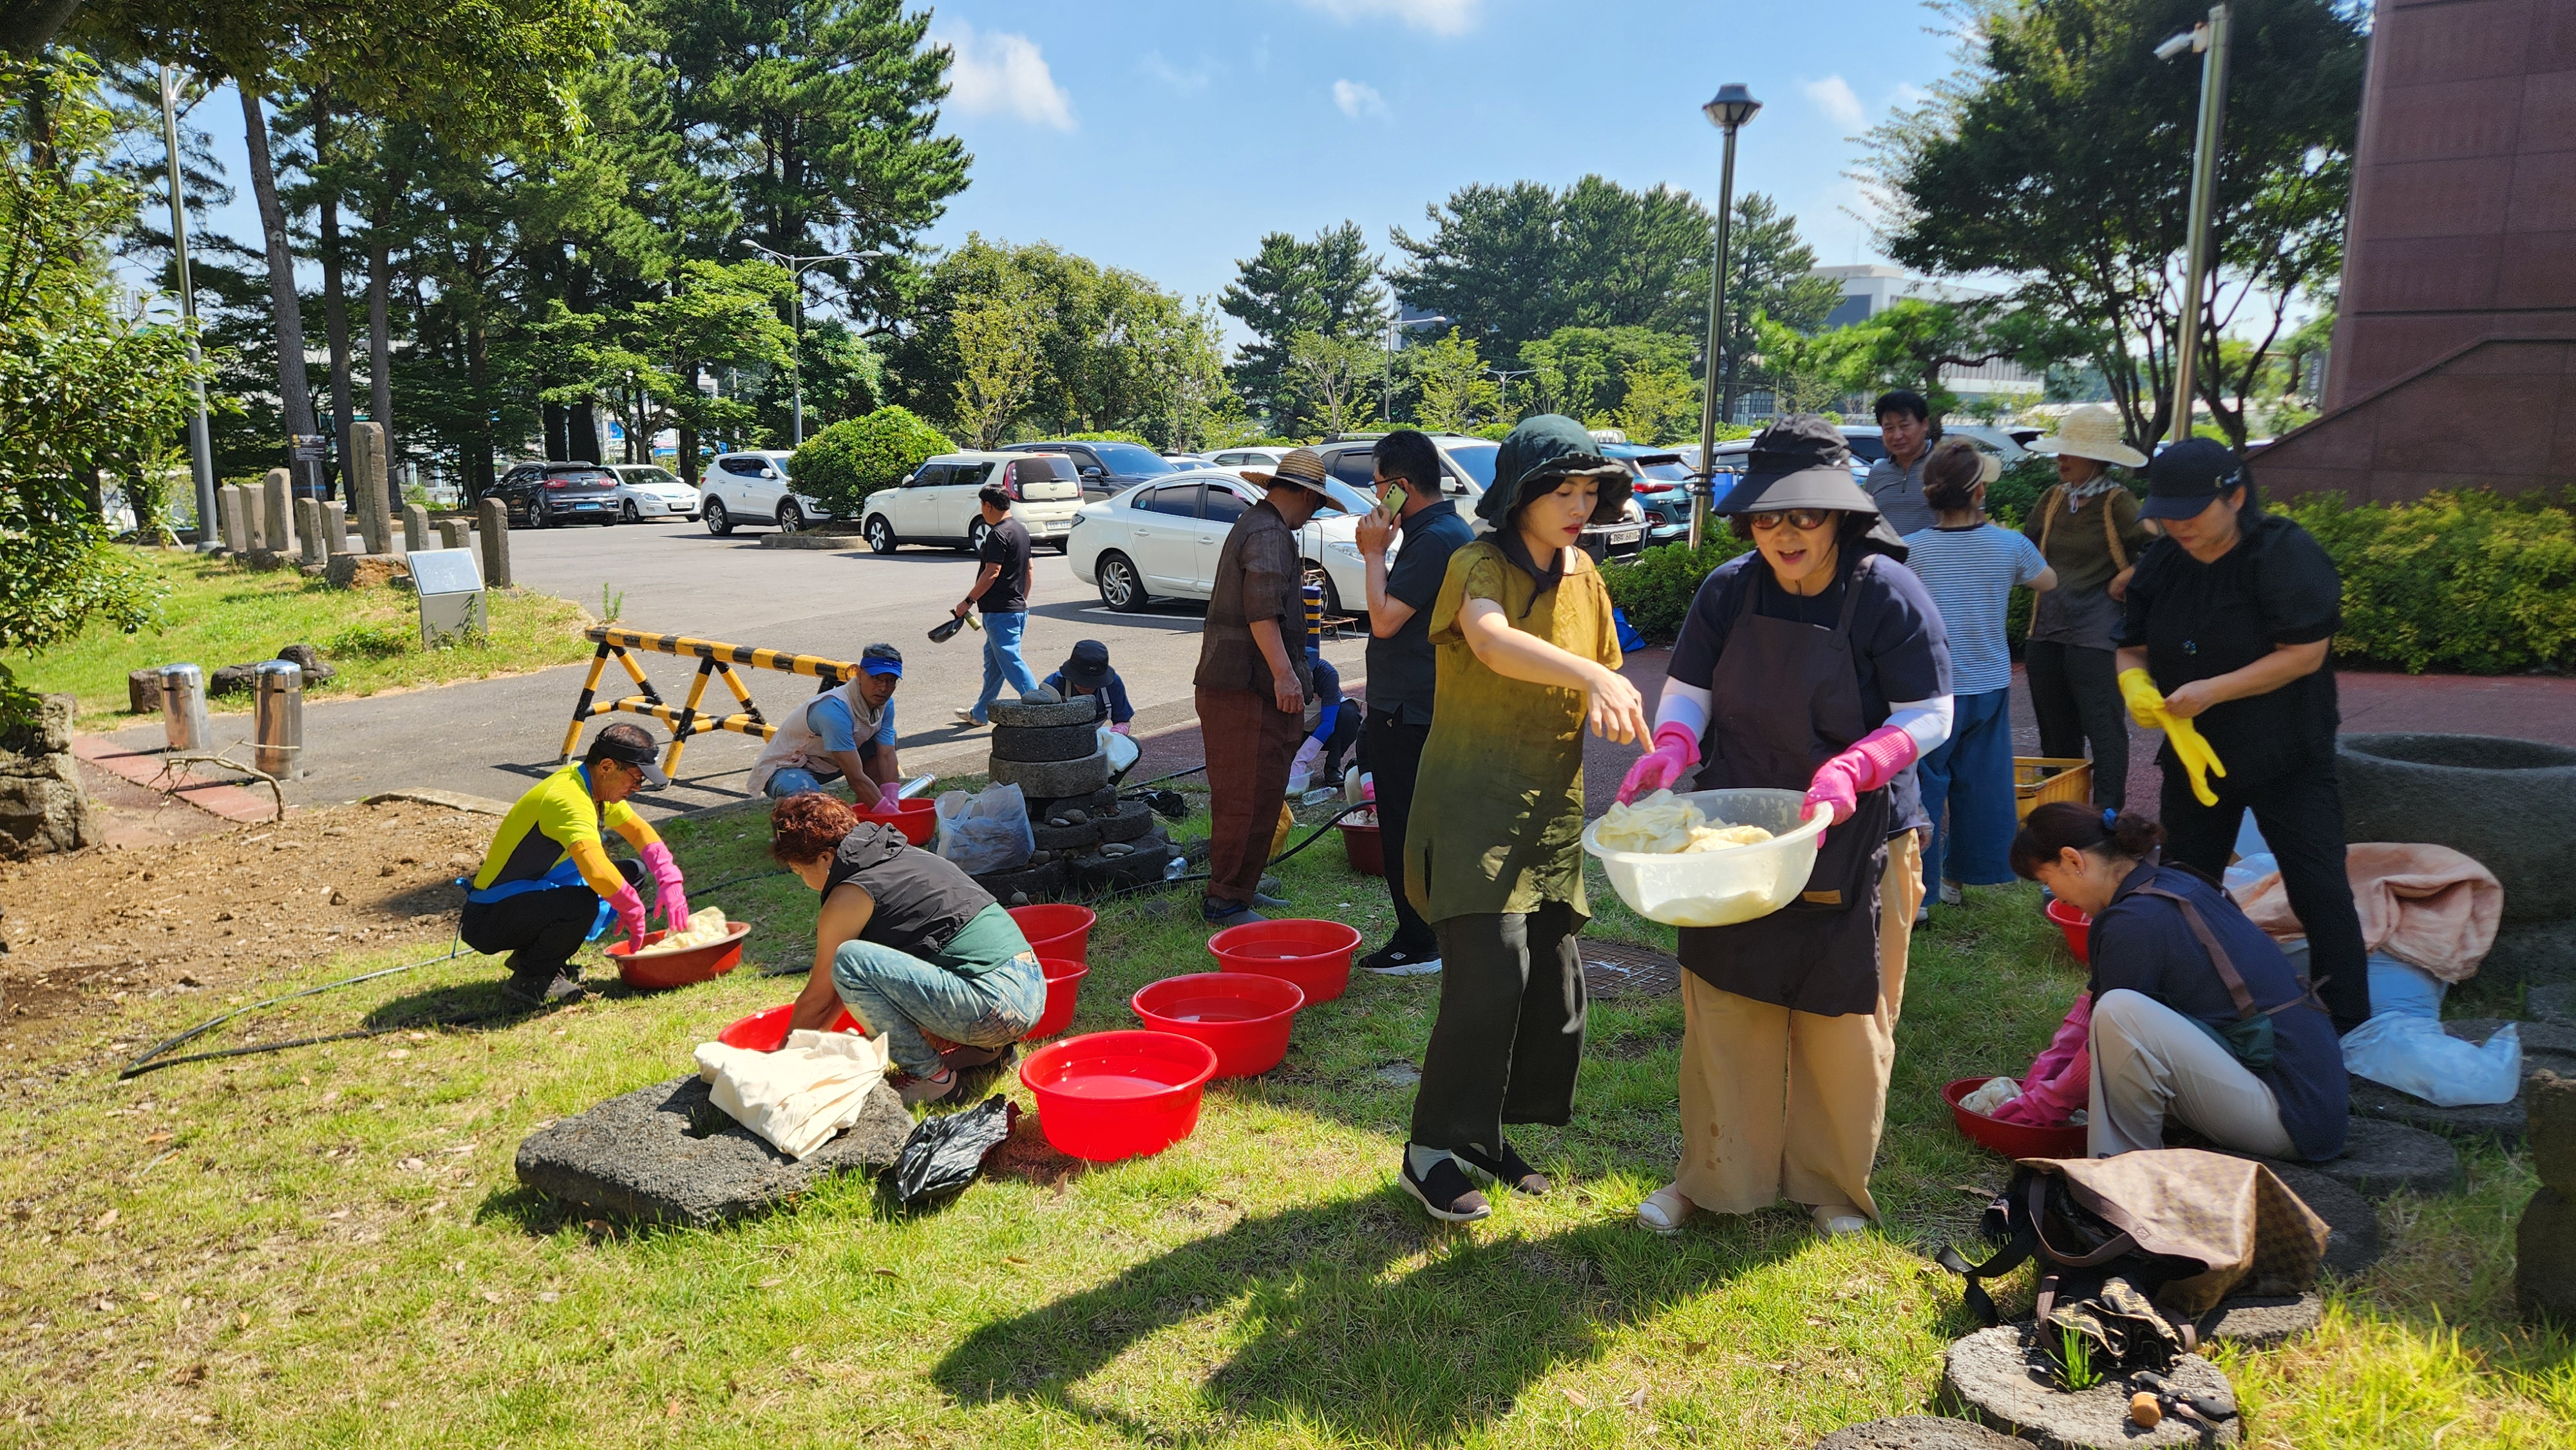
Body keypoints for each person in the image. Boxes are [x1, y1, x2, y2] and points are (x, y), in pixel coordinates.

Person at [1617, 415, 1953, 1239]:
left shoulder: (1886, 590)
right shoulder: (1728, 589)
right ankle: (1713, 1175)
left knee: (1843, 1018)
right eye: (1768, 516)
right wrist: (1674, 743)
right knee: (1728, 1003)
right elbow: (1689, 689)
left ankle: (1831, 1184)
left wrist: (1855, 765)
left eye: (1804, 515)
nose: (1785, 533)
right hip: (1735, 835)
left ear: (1839, 513)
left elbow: (1929, 711)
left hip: (1858, 834)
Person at [1399, 415, 1647, 1223]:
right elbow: (1492, 640)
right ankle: (1427, 1150)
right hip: (1473, 803)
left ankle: (1482, 1136)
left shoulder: (1585, 573)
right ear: (1519, 495)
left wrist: (1632, 731)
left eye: (1589, 491)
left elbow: (1601, 671)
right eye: (1561, 491)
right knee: (1490, 975)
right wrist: (1590, 677)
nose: (1579, 506)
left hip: (1550, 808)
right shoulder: (1476, 564)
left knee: (1548, 982)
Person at [2114, 440, 2371, 1033]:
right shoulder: (2164, 562)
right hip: (2196, 753)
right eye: (2166, 515)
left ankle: (2346, 1019)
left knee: (2318, 885)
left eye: (2191, 514)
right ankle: (2193, 1003)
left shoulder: (2283, 552)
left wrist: (2212, 690)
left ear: (2235, 497)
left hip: (2287, 749)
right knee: (2185, 882)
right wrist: (2134, 685)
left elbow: (2305, 654)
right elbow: (2132, 647)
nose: (2178, 526)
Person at [2009, 802, 2347, 1161]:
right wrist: (2050, 1065)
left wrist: (2050, 1102)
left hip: (2289, 1118)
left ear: (2073, 860)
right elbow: (2093, 999)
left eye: (2047, 881)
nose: (2057, 896)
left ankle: (2122, 1172)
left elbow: (2109, 1032)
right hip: (2310, 1104)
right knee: (2116, 1013)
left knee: (2120, 1015)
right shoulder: (2168, 882)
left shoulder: (2135, 920)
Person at [770, 791, 1045, 1107]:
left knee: (849, 959)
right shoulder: (900, 854)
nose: (803, 880)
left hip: (991, 1007)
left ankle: (936, 1080)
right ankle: (990, 1052)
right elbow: (843, 989)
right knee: (863, 964)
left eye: (799, 871)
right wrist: (808, 1045)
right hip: (1030, 988)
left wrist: (779, 1066)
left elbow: (821, 995)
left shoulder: (850, 893)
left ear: (825, 858)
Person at [1903, 440, 2054, 909]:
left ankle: (1919, 892)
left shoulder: (1911, 549)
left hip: (1929, 688)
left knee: (1925, 785)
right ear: (1980, 492)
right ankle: (1961, 877)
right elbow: (2047, 581)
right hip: (1989, 682)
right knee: (1982, 784)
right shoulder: (2010, 545)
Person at [1354, 429, 1476, 977]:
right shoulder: (1446, 529)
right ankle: (1438, 932)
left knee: (1405, 828)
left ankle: (1418, 942)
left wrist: (1372, 553)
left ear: (1401, 486)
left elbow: (1384, 620)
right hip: (1423, 703)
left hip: (1409, 710)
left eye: (1379, 485)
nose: (1376, 497)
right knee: (1426, 825)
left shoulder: (1433, 539)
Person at [1193, 447, 1328, 926]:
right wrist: (1285, 674)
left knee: (1260, 791)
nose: (1314, 514)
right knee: (1247, 796)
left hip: (1243, 685)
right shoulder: (1269, 532)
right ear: (1307, 497)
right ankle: (1225, 901)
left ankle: (1239, 890)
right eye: (1317, 504)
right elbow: (1262, 611)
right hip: (1245, 688)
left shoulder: (1258, 524)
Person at [462, 722, 690, 1005]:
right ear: (607, 767)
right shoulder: (568, 799)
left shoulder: (593, 786)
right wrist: (632, 908)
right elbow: (596, 870)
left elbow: (638, 831)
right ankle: (531, 979)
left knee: (633, 873)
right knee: (581, 904)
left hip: (524, 897)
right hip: (488, 918)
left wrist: (670, 878)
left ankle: (533, 957)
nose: (637, 788)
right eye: (636, 778)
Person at [2022, 403, 2152, 809]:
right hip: (2046, 629)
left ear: (2096, 458)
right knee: (2055, 736)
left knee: (2104, 730)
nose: (2061, 457)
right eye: (2061, 449)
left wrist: (2125, 576)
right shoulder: (2052, 499)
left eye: (2072, 451)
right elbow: (2024, 548)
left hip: (2097, 635)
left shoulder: (2118, 502)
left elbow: (2162, 551)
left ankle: (2108, 815)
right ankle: (2063, 817)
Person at [747, 642, 905, 805]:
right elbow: (855, 777)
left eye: (891, 680)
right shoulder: (834, 710)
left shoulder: (886, 705)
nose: (883, 688)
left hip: (829, 764)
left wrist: (893, 799)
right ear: (859, 674)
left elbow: (887, 755)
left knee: (884, 744)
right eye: (876, 678)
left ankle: (866, 815)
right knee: (806, 798)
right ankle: (786, 811)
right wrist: (888, 812)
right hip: (786, 769)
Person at [952, 485, 1037, 728]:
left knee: (1011, 662)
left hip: (1001, 612)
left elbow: (992, 573)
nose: (982, 510)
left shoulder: (997, 534)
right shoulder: (1021, 530)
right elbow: (1030, 570)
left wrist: (968, 601)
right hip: (1016, 609)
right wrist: (1022, 601)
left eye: (982, 505)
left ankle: (1042, 709)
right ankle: (981, 713)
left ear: (989, 506)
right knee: (995, 663)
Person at [1862, 389, 1938, 538]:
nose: (1897, 436)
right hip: (1885, 552)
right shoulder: (1877, 472)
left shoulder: (1946, 467)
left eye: (1905, 426)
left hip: (1933, 552)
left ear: (1925, 424)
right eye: (1889, 428)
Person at [1287, 652, 1361, 796]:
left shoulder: (1327, 674)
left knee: (1349, 715)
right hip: (1294, 724)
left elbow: (1328, 724)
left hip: (1322, 725)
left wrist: (1302, 758)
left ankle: (1332, 767)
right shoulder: (1279, 673)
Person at [1041, 639, 1134, 734]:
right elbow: (1041, 727)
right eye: (1082, 681)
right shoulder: (1053, 686)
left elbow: (1123, 720)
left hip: (1095, 737)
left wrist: (1120, 730)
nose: (1088, 687)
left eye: (1094, 682)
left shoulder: (1112, 685)